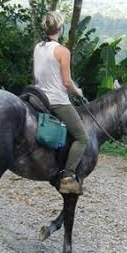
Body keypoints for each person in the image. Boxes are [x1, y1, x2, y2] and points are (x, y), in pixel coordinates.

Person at [33, 11, 88, 194]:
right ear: (60, 28)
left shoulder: (38, 47)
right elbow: (66, 82)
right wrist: (77, 91)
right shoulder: (63, 51)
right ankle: (68, 176)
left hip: (38, 97)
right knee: (82, 137)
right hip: (56, 100)